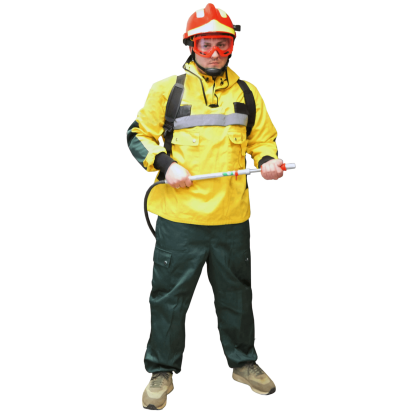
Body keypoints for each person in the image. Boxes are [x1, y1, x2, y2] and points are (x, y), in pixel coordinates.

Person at [127, 3, 284, 410]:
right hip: (180, 220)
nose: (214, 52)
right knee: (169, 298)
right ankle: (161, 372)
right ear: (191, 45)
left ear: (232, 46)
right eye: (206, 44)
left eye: (222, 44)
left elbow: (262, 139)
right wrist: (166, 164)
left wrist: (268, 161)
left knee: (237, 296)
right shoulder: (168, 90)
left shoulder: (247, 93)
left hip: (231, 218)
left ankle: (243, 363)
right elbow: (137, 135)